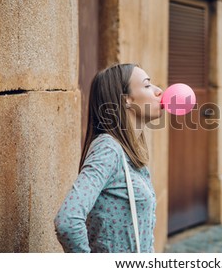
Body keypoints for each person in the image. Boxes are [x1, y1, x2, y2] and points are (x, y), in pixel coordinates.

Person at [54, 63, 163, 252]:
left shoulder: (131, 151)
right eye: (147, 85)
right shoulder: (108, 149)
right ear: (126, 99)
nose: (159, 91)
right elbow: (67, 221)